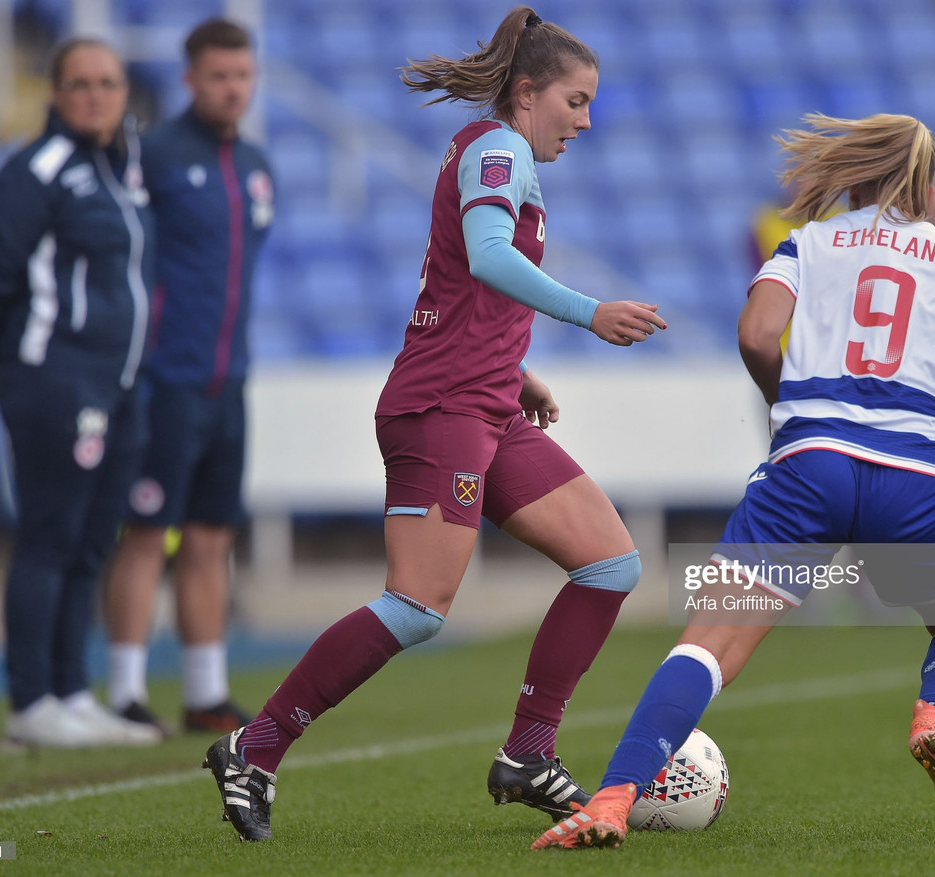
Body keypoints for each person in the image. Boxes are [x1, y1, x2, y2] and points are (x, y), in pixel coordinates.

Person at [532, 113, 935, 850]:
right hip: (914, 476)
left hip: (809, 464)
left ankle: (613, 798)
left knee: (712, 643)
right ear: (925, 186)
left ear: (861, 171)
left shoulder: (807, 242)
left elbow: (755, 333)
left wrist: (789, 408)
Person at [201, 6, 668, 841]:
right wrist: (590, 313)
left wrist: (511, 364)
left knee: (609, 562)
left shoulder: (504, 151)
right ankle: (255, 745)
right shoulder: (498, 148)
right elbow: (488, 256)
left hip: (486, 402)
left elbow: (463, 278)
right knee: (418, 606)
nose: (587, 120)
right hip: (441, 408)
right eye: (577, 100)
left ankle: (529, 751)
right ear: (528, 93)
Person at [0, 38, 159, 747]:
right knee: (49, 534)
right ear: (55, 93)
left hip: (120, 382)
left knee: (89, 541)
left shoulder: (122, 170)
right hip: (53, 375)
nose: (95, 96)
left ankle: (72, 692)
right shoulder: (36, 171)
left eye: (107, 82)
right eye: (79, 84)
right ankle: (29, 700)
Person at [102, 17, 274, 738]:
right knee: (146, 532)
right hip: (164, 381)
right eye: (219, 76)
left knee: (210, 537)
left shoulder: (258, 163)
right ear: (190, 79)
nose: (232, 88)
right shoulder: (157, 156)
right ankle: (125, 691)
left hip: (228, 381)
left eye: (242, 75)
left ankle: (206, 690)